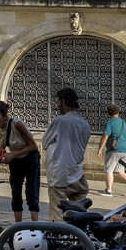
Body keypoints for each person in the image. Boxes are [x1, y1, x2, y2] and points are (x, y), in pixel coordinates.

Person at [42, 87, 91, 215]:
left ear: (63, 101)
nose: (57, 105)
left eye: (58, 101)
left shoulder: (59, 121)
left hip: (59, 175)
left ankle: (58, 232)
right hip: (77, 175)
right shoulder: (85, 124)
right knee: (79, 213)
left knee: (57, 212)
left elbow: (45, 142)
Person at [0, 100, 40, 222]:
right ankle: (18, 226)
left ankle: (36, 226)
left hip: (30, 158)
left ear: (4, 116)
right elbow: (3, 140)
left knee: (31, 193)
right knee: (16, 192)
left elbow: (33, 145)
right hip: (16, 161)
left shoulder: (17, 124)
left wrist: (13, 154)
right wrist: (1, 152)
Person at [97, 105, 126, 197]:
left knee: (109, 169)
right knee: (120, 171)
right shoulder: (123, 122)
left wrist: (100, 149)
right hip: (125, 149)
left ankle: (109, 191)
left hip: (114, 149)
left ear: (109, 113)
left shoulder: (110, 122)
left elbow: (105, 136)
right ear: (118, 112)